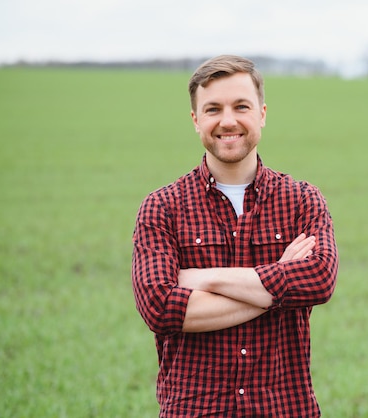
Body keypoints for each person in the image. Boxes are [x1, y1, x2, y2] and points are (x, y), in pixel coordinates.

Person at [131, 54, 339, 417]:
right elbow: (161, 309)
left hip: (285, 409)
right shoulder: (161, 208)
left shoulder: (302, 200)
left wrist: (204, 278)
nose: (228, 121)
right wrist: (280, 279)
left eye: (241, 106)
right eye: (213, 109)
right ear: (196, 120)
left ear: (262, 113)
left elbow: (319, 279)